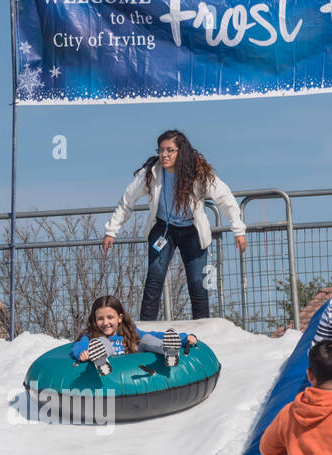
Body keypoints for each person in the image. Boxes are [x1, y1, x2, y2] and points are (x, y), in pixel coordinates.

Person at [101, 130, 246, 321]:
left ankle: (203, 330)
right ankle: (147, 327)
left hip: (192, 232)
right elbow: (127, 200)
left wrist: (238, 230)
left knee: (197, 282)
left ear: (181, 152)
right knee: (155, 277)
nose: (164, 155)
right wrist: (111, 231)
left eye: (170, 150)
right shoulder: (152, 173)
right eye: (161, 150)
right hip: (164, 230)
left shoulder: (198, 173)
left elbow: (225, 199)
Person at [70, 294, 198, 371]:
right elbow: (79, 346)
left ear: (119, 318)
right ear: (94, 320)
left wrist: (184, 338)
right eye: (100, 319)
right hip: (112, 369)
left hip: (133, 366)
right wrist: (83, 353)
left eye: (110, 317)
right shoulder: (90, 336)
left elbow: (155, 335)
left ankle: (168, 349)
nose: (105, 323)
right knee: (101, 342)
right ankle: (101, 360)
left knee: (146, 338)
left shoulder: (129, 332)